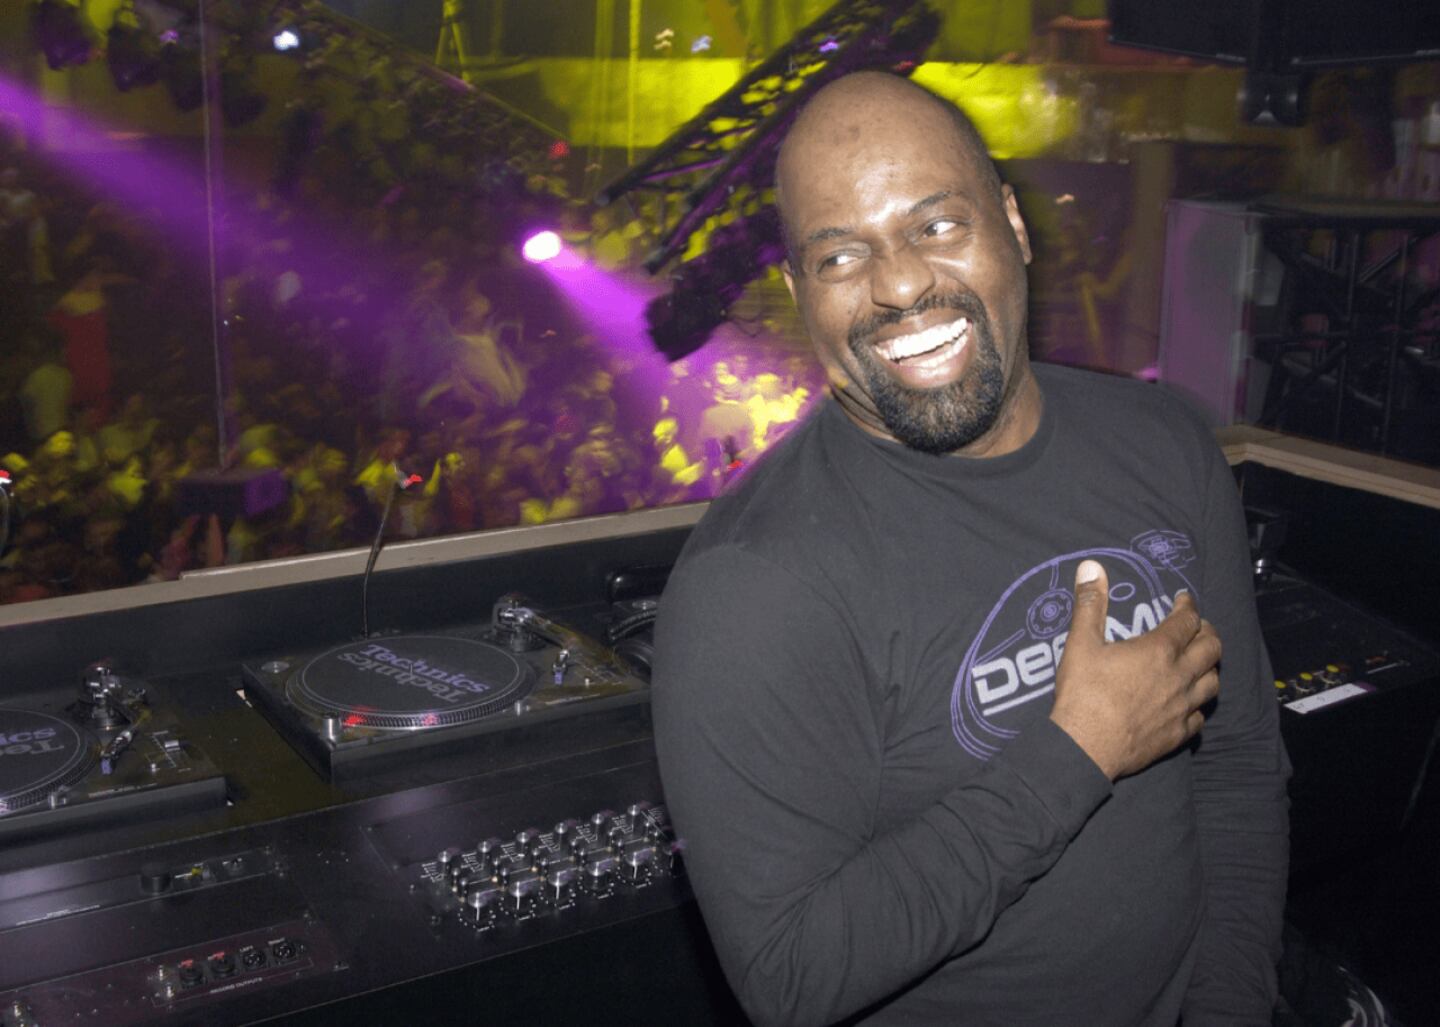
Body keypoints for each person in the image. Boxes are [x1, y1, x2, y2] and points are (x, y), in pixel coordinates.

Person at [650, 71, 1289, 1027]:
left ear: (1013, 225)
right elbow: (791, 975)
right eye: (839, 256)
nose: (901, 284)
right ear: (799, 293)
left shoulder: (1164, 445)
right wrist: (1078, 750)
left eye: (938, 224)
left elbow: (1238, 769)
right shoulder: (751, 587)